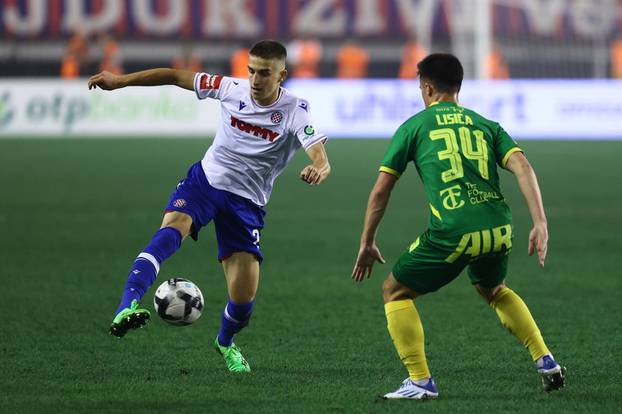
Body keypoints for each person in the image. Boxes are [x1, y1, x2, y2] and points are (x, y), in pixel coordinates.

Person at [88, 40, 331, 373]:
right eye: (251, 71)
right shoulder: (230, 89)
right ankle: (126, 305)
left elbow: (319, 154)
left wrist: (319, 167)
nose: (255, 80)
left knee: (243, 301)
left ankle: (225, 342)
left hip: (246, 204)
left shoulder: (295, 110)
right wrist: (120, 81)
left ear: (281, 75)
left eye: (264, 73)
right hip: (206, 182)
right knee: (172, 229)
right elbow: (174, 76)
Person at [351, 53, 565, 400]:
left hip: (454, 230)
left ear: (429, 88)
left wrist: (367, 241)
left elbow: (380, 192)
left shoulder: (414, 126)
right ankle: (546, 360)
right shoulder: (485, 124)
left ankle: (420, 381)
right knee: (493, 289)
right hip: (499, 227)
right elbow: (523, 166)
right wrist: (540, 222)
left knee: (394, 291)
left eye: (421, 87)